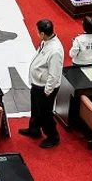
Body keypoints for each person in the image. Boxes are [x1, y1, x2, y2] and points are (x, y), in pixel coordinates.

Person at [20, 19, 63, 148]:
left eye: (38, 32)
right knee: (36, 109)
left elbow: (54, 74)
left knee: (45, 113)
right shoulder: (46, 42)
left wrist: (47, 91)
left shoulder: (55, 51)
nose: (37, 33)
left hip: (45, 87)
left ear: (43, 33)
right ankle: (34, 129)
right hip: (37, 84)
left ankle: (53, 136)